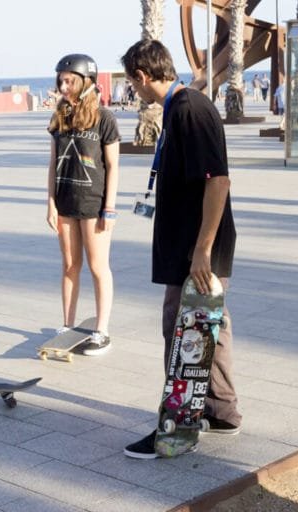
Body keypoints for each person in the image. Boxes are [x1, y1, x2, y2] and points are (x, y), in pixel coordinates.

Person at [120, 39, 241, 459]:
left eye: (133, 83)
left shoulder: (190, 109)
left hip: (197, 245)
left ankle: (176, 425)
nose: (134, 91)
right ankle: (221, 411)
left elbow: (218, 180)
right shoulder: (179, 108)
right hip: (189, 242)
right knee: (209, 325)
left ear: (142, 76)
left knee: (183, 329)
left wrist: (202, 250)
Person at [46, 54, 120, 356]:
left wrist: (110, 208)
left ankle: (102, 331)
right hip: (65, 204)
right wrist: (50, 203)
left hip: (94, 203)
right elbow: (53, 164)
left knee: (97, 267)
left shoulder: (104, 119)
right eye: (60, 80)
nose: (64, 86)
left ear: (86, 82)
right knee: (69, 266)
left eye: (70, 81)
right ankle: (68, 326)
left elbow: (113, 166)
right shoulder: (59, 117)